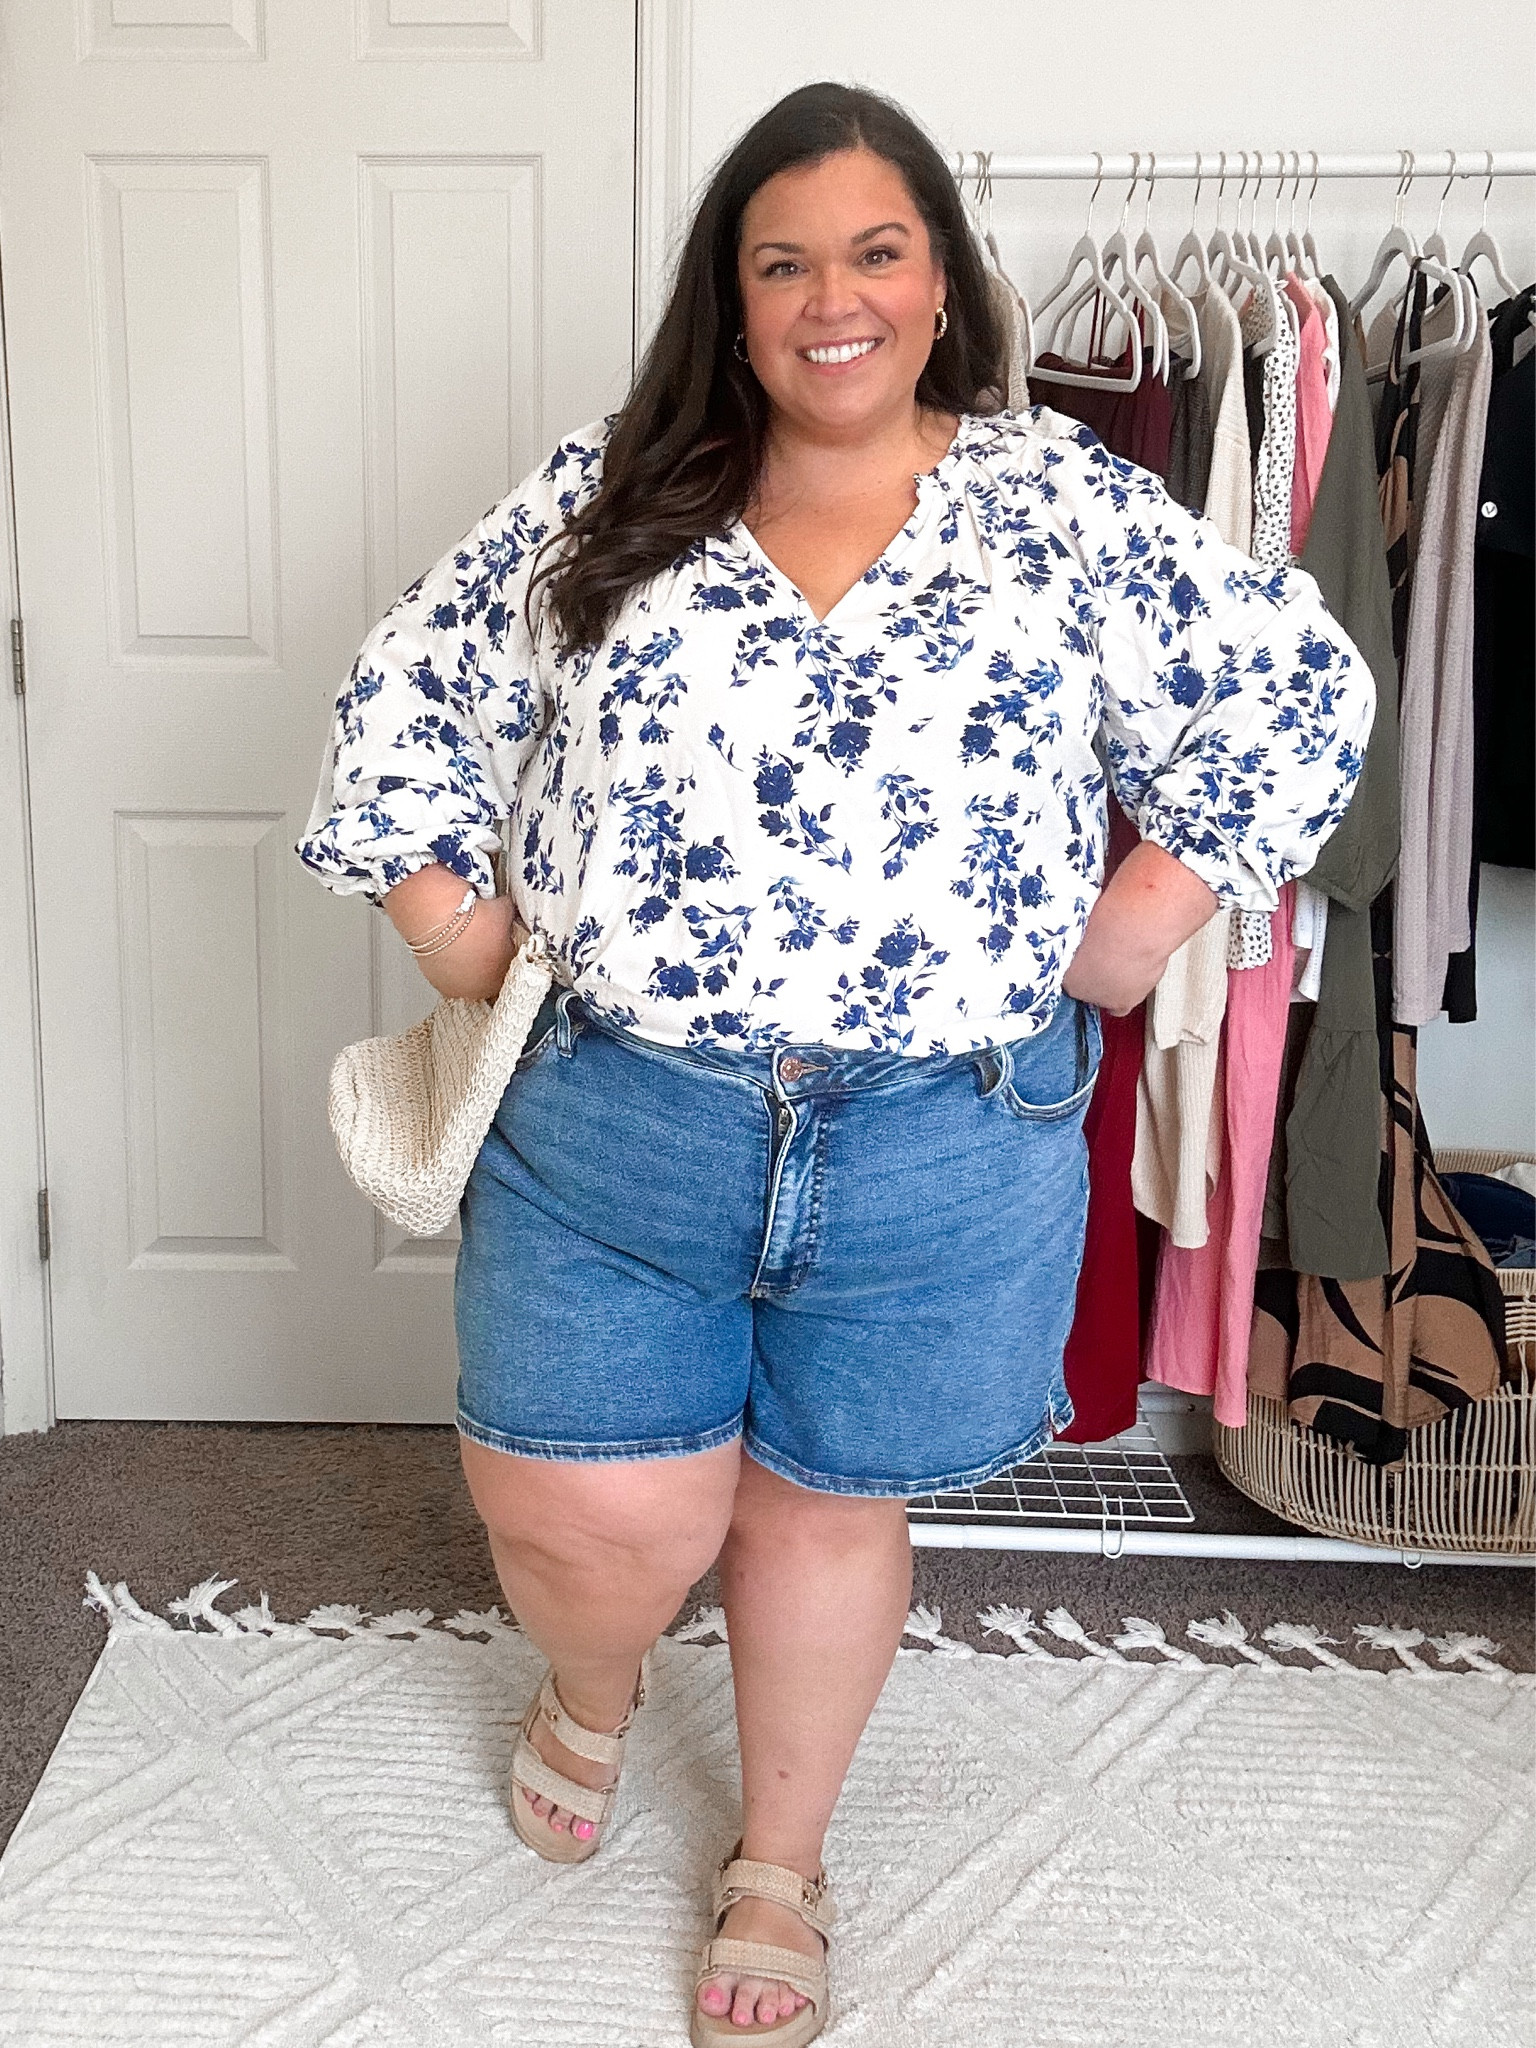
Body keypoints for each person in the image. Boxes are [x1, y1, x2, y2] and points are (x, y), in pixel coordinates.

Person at [297, 82, 1373, 2048]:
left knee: (821, 1505)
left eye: (874, 250)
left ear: (940, 275)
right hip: (619, 1114)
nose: (832, 297)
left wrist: (1138, 922)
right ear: (732, 296)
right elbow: (400, 713)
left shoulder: (1064, 502)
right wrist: (463, 937)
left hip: (944, 1131)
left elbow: (1296, 695)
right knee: (583, 1519)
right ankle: (595, 1674)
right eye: (781, 260)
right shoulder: (608, 494)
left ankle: (778, 1860)